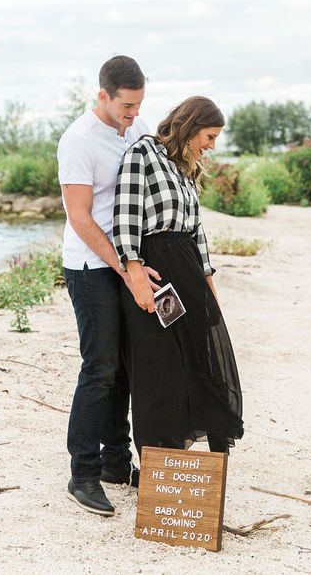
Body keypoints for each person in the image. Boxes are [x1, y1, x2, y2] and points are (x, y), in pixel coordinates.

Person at [113, 96, 244, 456]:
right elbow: (125, 217)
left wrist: (210, 293)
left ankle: (197, 459)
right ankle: (160, 459)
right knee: (159, 367)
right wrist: (134, 270)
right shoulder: (144, 154)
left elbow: (197, 234)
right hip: (155, 272)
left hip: (187, 271)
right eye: (210, 136)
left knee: (199, 361)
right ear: (190, 125)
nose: (212, 146)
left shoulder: (186, 170)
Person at [58, 55, 159, 517]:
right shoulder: (78, 140)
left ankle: (117, 464)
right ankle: (83, 473)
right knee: (99, 368)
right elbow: (79, 217)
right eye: (125, 106)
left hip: (125, 262)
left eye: (138, 105)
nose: (133, 114)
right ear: (103, 95)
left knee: (125, 367)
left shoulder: (138, 129)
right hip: (89, 266)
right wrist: (124, 267)